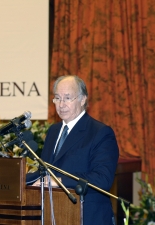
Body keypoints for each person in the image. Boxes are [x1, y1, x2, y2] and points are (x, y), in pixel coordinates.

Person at [26, 75, 119, 225]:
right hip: (55, 216)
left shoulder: (100, 132)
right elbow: (45, 171)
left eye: (67, 98)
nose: (61, 104)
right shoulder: (53, 131)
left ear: (83, 100)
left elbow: (102, 179)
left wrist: (59, 181)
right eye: (57, 98)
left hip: (87, 217)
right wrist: (18, 179)